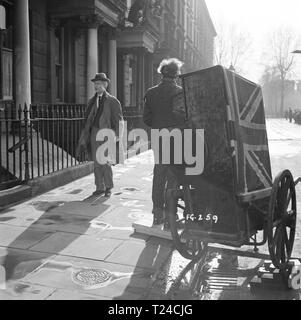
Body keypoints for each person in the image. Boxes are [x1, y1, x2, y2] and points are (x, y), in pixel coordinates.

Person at [143, 58, 184, 226]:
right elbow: (184, 116)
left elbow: (146, 118)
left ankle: (157, 214)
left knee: (159, 175)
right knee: (173, 175)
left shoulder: (151, 92)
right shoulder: (180, 92)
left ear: (162, 73)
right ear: (176, 74)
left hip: (158, 136)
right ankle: (170, 216)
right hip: (176, 136)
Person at [76, 73, 124, 198]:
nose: (96, 86)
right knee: (97, 162)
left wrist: (118, 135)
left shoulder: (113, 101)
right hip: (93, 133)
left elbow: (119, 120)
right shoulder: (92, 101)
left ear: (105, 85)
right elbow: (87, 119)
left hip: (107, 133)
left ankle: (108, 187)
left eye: (98, 84)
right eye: (95, 84)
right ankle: (99, 187)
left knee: (106, 161)